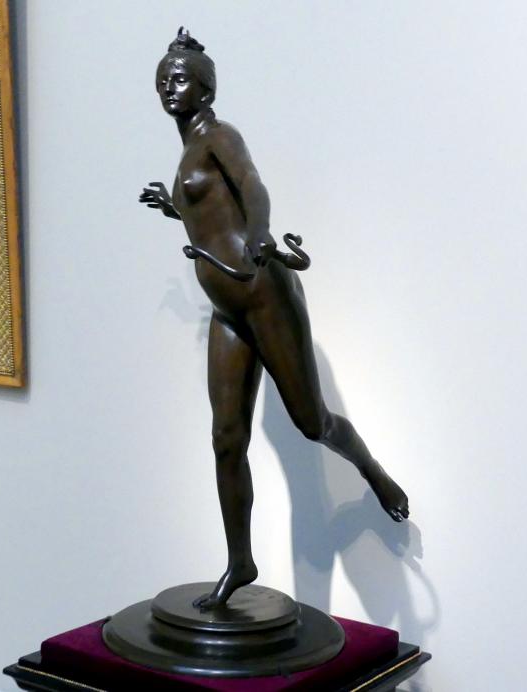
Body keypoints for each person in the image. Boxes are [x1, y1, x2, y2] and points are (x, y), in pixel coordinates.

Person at [139, 28, 410, 610]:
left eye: (179, 79)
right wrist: (174, 207)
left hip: (262, 291)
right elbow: (211, 215)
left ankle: (373, 471)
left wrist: (261, 231)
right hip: (226, 309)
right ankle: (240, 561)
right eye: (162, 80)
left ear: (206, 90)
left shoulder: (220, 136)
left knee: (312, 422)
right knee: (225, 437)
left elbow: (251, 185)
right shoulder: (188, 150)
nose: (168, 88)